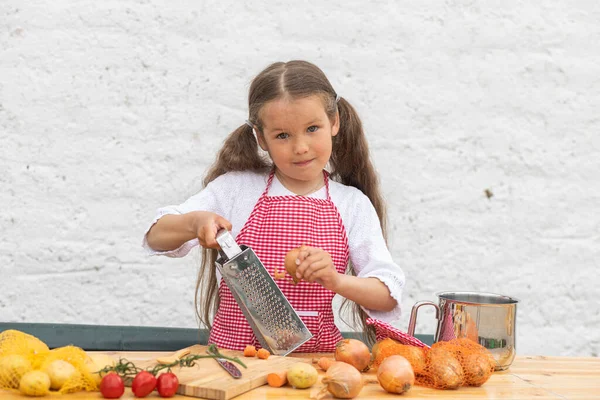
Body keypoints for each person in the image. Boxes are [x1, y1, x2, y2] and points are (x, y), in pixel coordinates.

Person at [143, 60, 405, 352]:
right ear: (260, 137)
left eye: (312, 128)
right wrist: (194, 222)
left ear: (334, 122)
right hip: (235, 364)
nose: (300, 147)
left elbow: (387, 294)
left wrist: (335, 280)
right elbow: (156, 236)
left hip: (315, 369)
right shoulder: (237, 189)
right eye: (282, 135)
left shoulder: (351, 204)